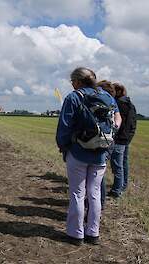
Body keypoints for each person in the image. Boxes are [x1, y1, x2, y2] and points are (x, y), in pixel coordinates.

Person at [56, 68, 121, 246]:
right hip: (101, 153)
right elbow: (117, 121)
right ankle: (93, 233)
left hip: (78, 151)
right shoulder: (108, 97)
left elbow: (64, 125)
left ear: (77, 81)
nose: (72, 85)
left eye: (72, 81)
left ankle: (75, 234)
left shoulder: (74, 97)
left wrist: (64, 147)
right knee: (94, 193)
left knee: (77, 193)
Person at [107, 83, 137, 198]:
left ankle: (116, 190)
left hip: (119, 139)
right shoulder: (130, 103)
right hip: (126, 139)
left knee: (117, 165)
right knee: (123, 163)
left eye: (113, 91)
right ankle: (123, 185)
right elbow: (133, 123)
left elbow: (120, 123)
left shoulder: (119, 104)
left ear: (118, 92)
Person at [97, 80, 117, 208]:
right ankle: (99, 203)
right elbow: (118, 121)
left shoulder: (104, 102)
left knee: (98, 176)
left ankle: (100, 203)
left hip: (101, 141)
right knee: (99, 174)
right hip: (109, 141)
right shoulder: (112, 103)